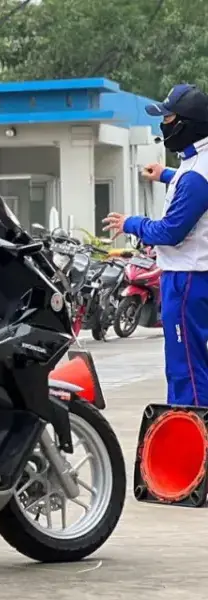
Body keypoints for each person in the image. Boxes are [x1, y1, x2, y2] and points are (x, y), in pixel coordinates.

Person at [104, 83, 208, 407]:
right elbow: (192, 185)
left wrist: (130, 223)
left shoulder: (196, 176)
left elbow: (170, 231)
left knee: (186, 369)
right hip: (193, 277)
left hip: (186, 278)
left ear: (186, 124)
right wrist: (166, 174)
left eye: (169, 118)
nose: (163, 125)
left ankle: (193, 439)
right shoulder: (196, 164)